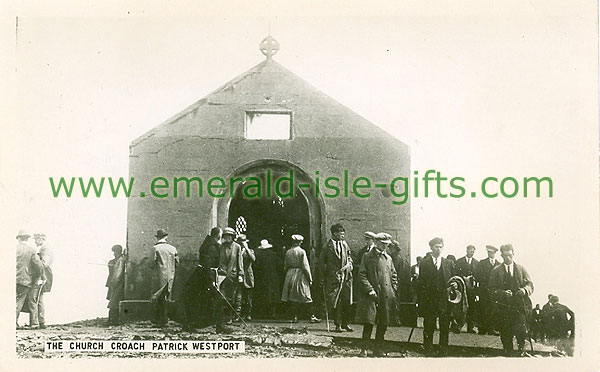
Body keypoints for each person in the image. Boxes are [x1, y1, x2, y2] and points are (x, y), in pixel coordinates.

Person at [355, 232, 398, 357]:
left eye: (387, 244)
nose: (385, 247)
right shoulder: (367, 256)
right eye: (383, 244)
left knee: (383, 322)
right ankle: (364, 349)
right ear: (377, 242)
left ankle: (378, 349)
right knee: (369, 322)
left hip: (385, 295)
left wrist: (393, 288)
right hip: (371, 296)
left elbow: (394, 274)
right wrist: (370, 290)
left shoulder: (388, 258)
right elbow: (362, 274)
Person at [489, 244, 534, 356]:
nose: (508, 258)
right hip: (503, 307)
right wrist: (502, 293)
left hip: (519, 306)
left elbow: (530, 285)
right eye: (505, 255)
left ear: (513, 254)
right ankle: (507, 352)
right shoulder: (496, 271)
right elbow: (491, 289)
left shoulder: (521, 269)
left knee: (521, 329)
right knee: (505, 331)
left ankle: (521, 349)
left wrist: (524, 290)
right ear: (501, 256)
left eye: (510, 255)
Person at [418, 237, 455, 355]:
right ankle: (428, 348)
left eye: (440, 247)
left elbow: (453, 279)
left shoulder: (448, 263)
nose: (438, 249)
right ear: (431, 248)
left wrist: (454, 284)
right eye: (436, 247)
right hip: (430, 299)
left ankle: (443, 348)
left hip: (444, 299)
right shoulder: (425, 263)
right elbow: (421, 283)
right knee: (429, 324)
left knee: (444, 325)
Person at [319, 223, 353, 332]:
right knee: (336, 302)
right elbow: (321, 264)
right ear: (334, 234)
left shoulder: (345, 245)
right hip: (333, 279)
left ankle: (345, 323)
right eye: (340, 234)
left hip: (345, 277)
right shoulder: (326, 247)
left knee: (346, 301)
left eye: (343, 234)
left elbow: (349, 257)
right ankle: (337, 324)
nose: (342, 236)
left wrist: (349, 265)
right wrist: (322, 277)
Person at [216, 227, 243, 331]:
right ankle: (221, 318)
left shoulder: (237, 247)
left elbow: (239, 261)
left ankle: (230, 316)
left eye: (229, 236)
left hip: (233, 275)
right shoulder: (221, 247)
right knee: (222, 296)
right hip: (222, 275)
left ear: (232, 237)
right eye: (226, 236)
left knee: (232, 296)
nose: (227, 238)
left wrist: (240, 274)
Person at [281, 235, 313, 322]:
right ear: (299, 242)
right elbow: (305, 266)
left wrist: (288, 274)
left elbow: (285, 266)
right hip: (300, 273)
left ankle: (294, 316)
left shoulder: (288, 252)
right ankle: (311, 316)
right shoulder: (302, 252)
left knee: (292, 295)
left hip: (290, 273)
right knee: (305, 295)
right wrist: (309, 278)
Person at [150, 229, 178, 327]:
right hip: (170, 276)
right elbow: (177, 263)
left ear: (157, 237)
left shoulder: (155, 248)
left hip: (159, 276)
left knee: (158, 297)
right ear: (166, 237)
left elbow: (151, 263)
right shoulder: (173, 249)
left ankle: (159, 320)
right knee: (167, 297)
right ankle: (165, 318)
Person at [16, 229, 44, 329]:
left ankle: (13, 322)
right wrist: (38, 277)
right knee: (29, 300)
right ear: (27, 239)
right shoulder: (31, 250)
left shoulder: (13, 248)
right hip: (26, 280)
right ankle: (35, 323)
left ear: (19, 238)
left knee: (16, 300)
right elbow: (39, 265)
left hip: (14, 279)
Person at [475, 245, 501, 335]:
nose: (490, 253)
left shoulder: (499, 264)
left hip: (494, 291)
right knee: (483, 308)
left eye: (491, 252)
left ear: (495, 253)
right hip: (484, 290)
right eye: (488, 252)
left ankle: (491, 328)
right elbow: (477, 276)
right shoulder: (482, 263)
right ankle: (482, 328)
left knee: (493, 309)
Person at [253, 239, 283, 319]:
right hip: (273, 276)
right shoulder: (274, 255)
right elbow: (280, 265)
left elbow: (256, 267)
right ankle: (273, 312)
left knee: (264, 294)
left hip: (263, 277)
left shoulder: (259, 256)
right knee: (274, 295)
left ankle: (265, 312)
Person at [455, 245, 479, 333]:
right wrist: (463, 278)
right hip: (462, 288)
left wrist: (473, 279)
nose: (471, 253)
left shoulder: (477, 263)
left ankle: (470, 327)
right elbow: (456, 274)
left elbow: (478, 276)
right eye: (470, 251)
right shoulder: (459, 261)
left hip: (471, 289)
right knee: (461, 307)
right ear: (467, 251)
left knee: (471, 307)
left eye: (473, 252)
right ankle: (458, 326)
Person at [33, 232, 53, 329]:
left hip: (42, 277)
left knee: (37, 299)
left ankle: (39, 322)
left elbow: (44, 264)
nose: (35, 241)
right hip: (42, 277)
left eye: (36, 239)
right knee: (39, 299)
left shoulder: (46, 249)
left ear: (41, 239)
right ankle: (40, 322)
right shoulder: (44, 248)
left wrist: (35, 258)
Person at [352, 232, 376, 304]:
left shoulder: (376, 251)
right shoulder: (362, 251)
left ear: (373, 240)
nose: (366, 241)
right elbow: (357, 263)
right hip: (365, 278)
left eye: (368, 240)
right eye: (366, 239)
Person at [237, 234, 256, 321]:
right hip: (239, 275)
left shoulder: (250, 251)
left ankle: (248, 313)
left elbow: (253, 259)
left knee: (248, 296)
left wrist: (246, 249)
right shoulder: (237, 251)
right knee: (238, 296)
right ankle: (238, 314)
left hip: (248, 274)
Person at [106, 244, 126, 325]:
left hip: (116, 283)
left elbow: (117, 275)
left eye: (115, 252)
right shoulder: (117, 261)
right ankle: (113, 320)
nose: (114, 254)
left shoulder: (120, 261)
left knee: (114, 302)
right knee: (114, 301)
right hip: (115, 283)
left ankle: (113, 321)